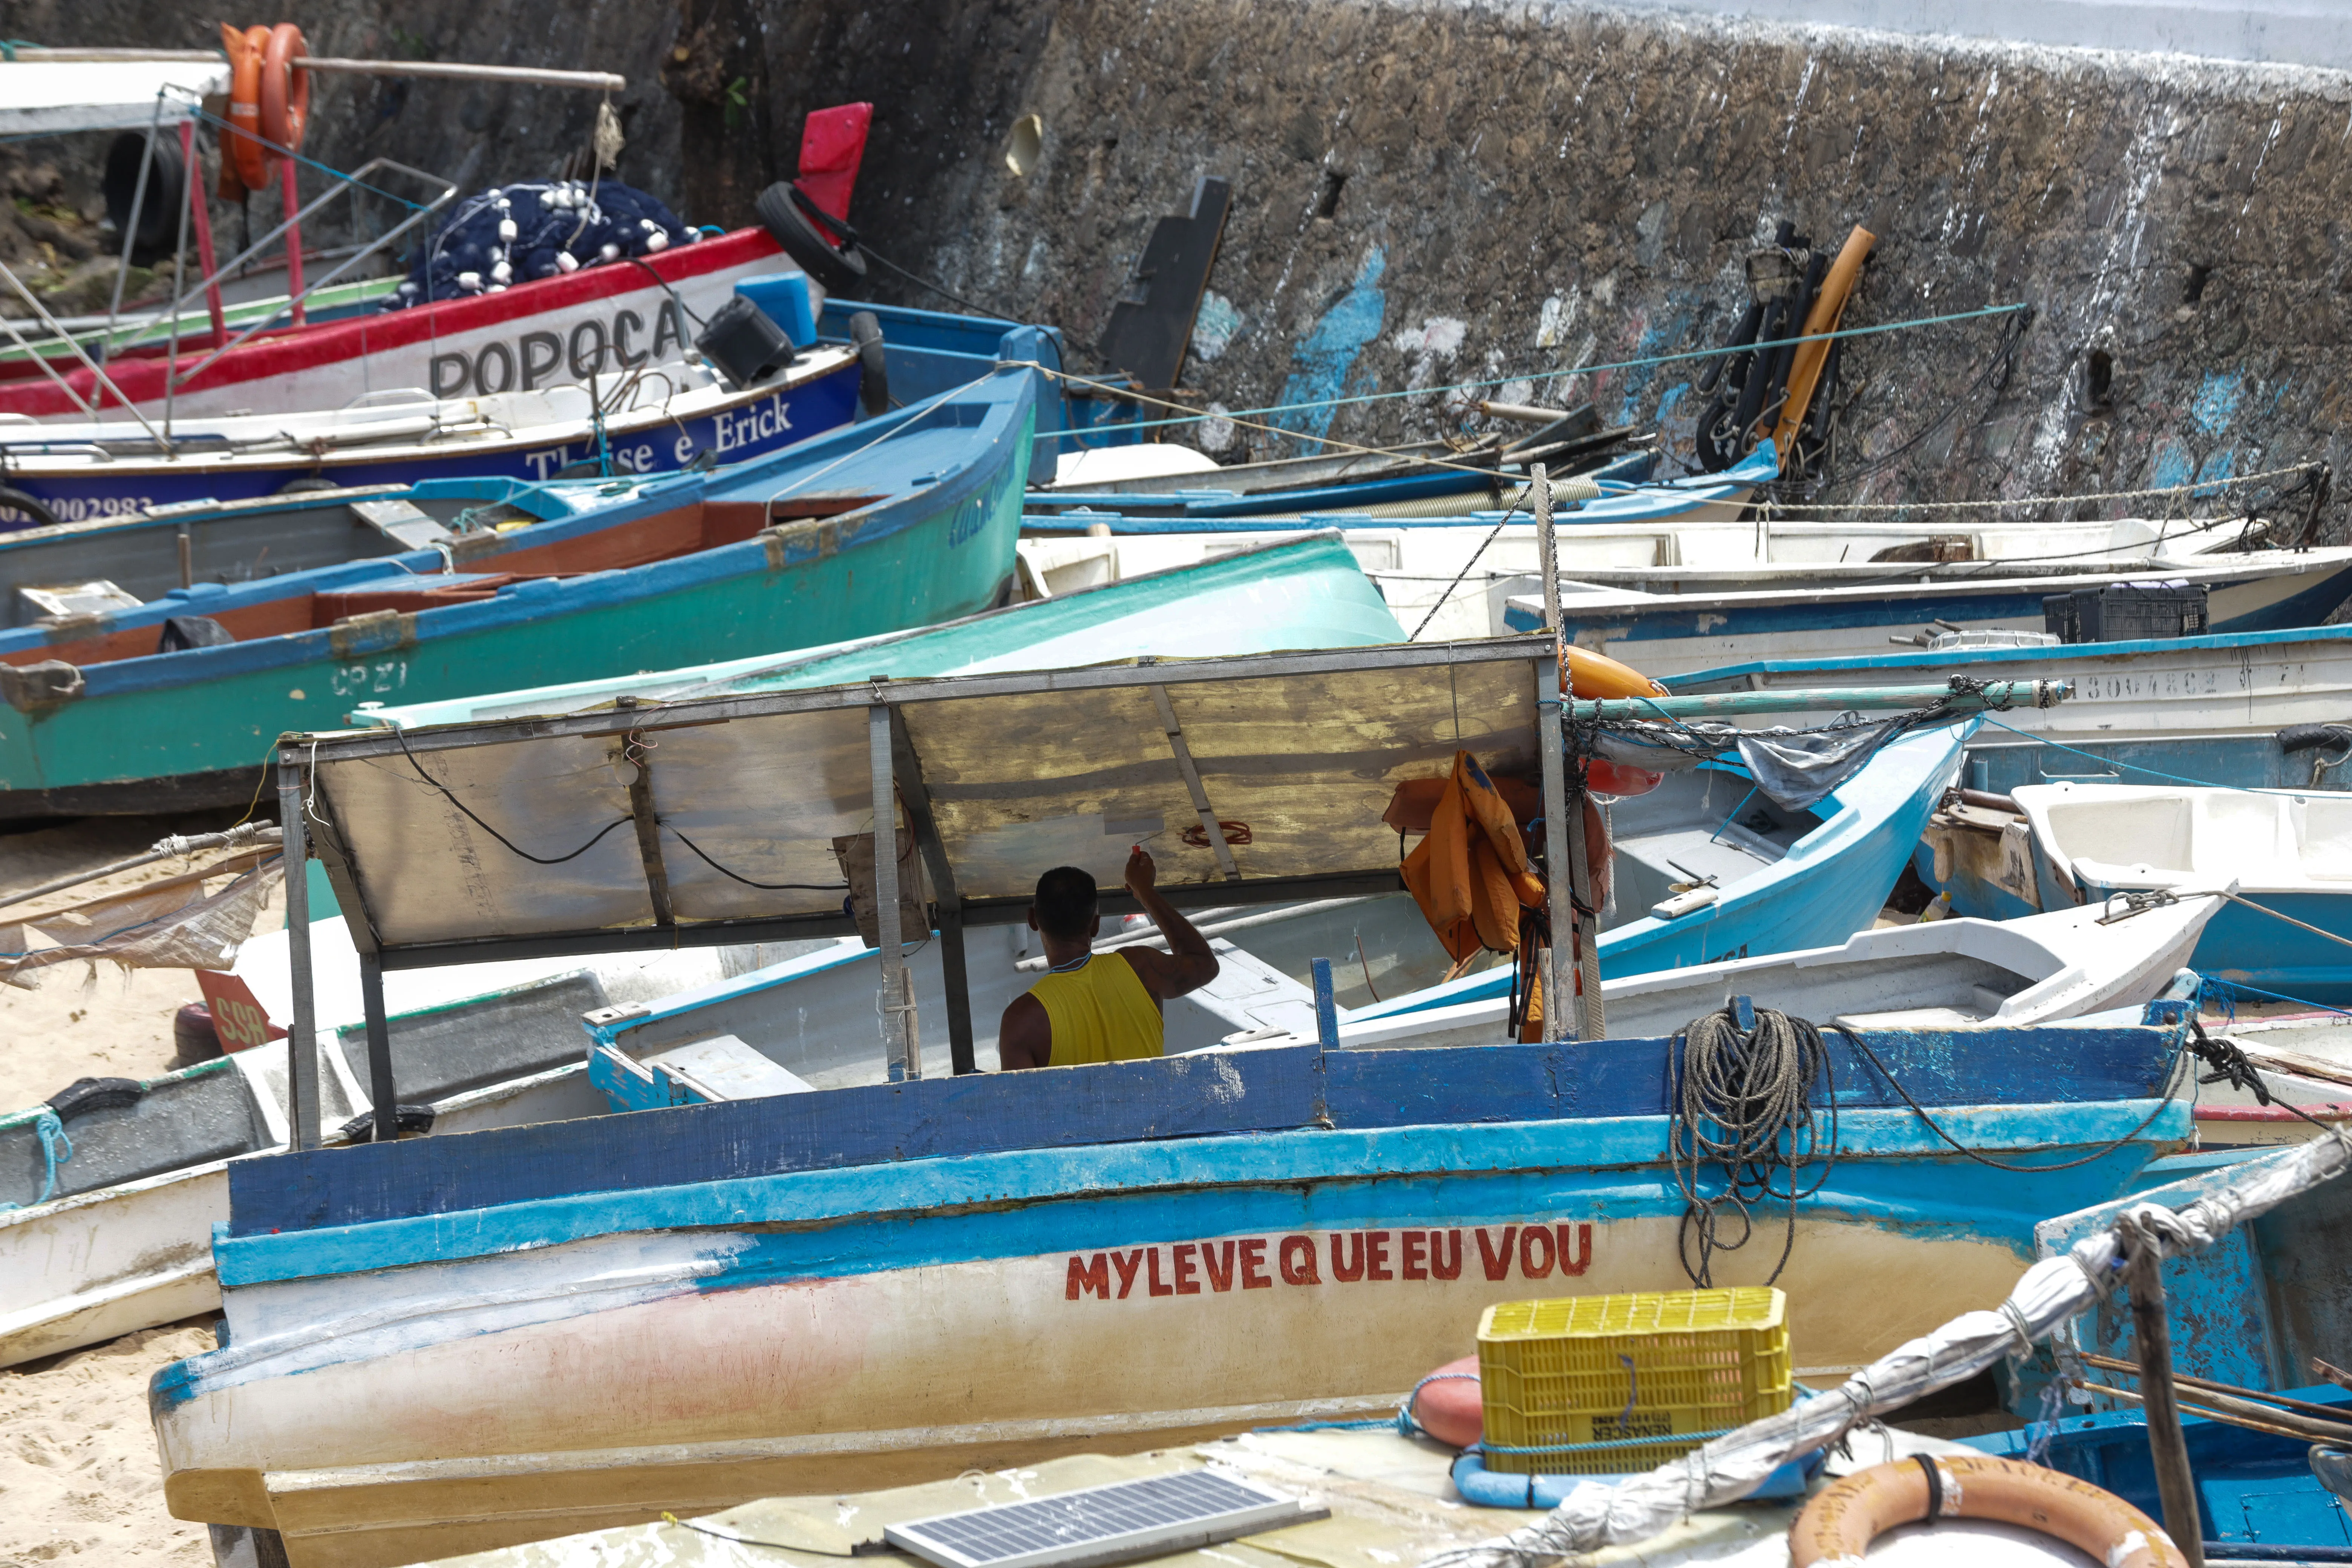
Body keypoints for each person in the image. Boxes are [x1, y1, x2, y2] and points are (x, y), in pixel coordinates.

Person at [997, 847, 1219, 1069]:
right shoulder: (1141, 967)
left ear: (1032, 920)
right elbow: (1204, 963)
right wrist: (1145, 893)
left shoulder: (1021, 1020)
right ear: (1095, 925)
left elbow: (1020, 1104)